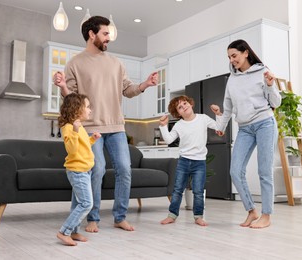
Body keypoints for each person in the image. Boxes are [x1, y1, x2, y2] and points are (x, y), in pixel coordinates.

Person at [53, 16, 158, 232]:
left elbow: (127, 90)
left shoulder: (116, 63)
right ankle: (93, 218)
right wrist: (63, 86)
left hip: (116, 127)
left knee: (124, 170)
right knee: (96, 169)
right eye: (105, 33)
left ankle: (120, 216)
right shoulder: (75, 63)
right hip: (90, 128)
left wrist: (145, 84)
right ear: (92, 35)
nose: (108, 38)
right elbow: (71, 98)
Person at [210, 39, 281, 229]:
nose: (232, 60)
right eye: (229, 57)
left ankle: (266, 215)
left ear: (246, 53)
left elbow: (276, 102)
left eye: (234, 55)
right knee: (235, 171)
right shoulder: (231, 79)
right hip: (245, 128)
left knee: (264, 171)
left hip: (265, 123)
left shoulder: (262, 72)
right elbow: (227, 107)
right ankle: (252, 211)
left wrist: (270, 85)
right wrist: (222, 127)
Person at [158, 95, 221, 227]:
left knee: (198, 191)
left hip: (199, 162)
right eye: (180, 107)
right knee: (177, 190)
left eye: (185, 103)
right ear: (178, 113)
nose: (184, 107)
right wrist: (163, 126)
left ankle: (198, 217)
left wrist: (218, 113)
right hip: (183, 161)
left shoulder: (203, 118)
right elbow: (169, 140)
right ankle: (172, 215)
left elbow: (219, 127)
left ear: (191, 104)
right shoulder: (178, 125)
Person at [57, 93, 101, 246]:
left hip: (85, 170)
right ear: (77, 109)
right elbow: (72, 149)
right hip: (77, 171)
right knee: (86, 203)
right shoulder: (68, 127)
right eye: (87, 107)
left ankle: (74, 232)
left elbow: (83, 145)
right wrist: (75, 130)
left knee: (77, 204)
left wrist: (92, 139)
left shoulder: (79, 126)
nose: (90, 110)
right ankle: (64, 231)